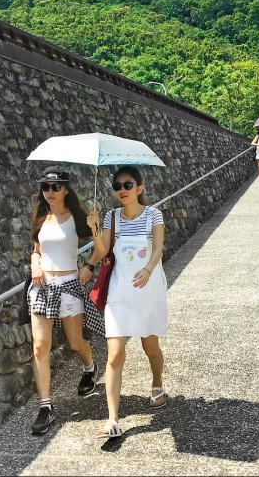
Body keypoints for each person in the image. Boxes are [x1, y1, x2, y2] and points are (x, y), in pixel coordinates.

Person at [87, 166, 168, 439]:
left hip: (148, 290)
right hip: (120, 292)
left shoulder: (153, 214)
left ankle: (157, 383)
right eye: (117, 186)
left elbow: (157, 249)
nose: (122, 190)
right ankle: (112, 420)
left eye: (128, 185)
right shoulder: (111, 217)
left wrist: (147, 270)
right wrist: (95, 230)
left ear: (140, 188)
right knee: (114, 354)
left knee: (150, 346)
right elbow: (102, 251)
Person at [29, 166, 104, 435]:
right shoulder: (40, 216)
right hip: (42, 285)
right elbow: (36, 249)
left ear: (66, 189)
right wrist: (35, 262)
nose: (49, 192)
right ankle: (46, 406)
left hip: (70, 284)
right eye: (45, 187)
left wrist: (90, 266)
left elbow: (101, 246)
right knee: (40, 347)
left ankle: (90, 367)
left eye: (55, 187)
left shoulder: (78, 217)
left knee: (75, 343)